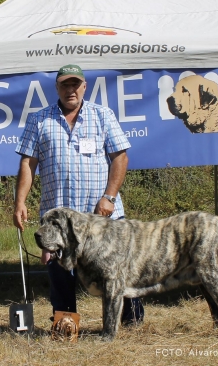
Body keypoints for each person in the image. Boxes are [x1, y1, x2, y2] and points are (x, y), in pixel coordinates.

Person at [12, 64, 144, 325]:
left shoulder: (103, 115)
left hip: (101, 214)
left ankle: (132, 321)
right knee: (60, 274)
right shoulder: (39, 120)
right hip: (58, 219)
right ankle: (65, 323)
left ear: (84, 87)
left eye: (75, 84)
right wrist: (20, 202)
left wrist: (110, 197)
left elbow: (120, 157)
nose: (70, 90)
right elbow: (28, 163)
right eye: (65, 85)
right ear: (57, 88)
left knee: (118, 270)